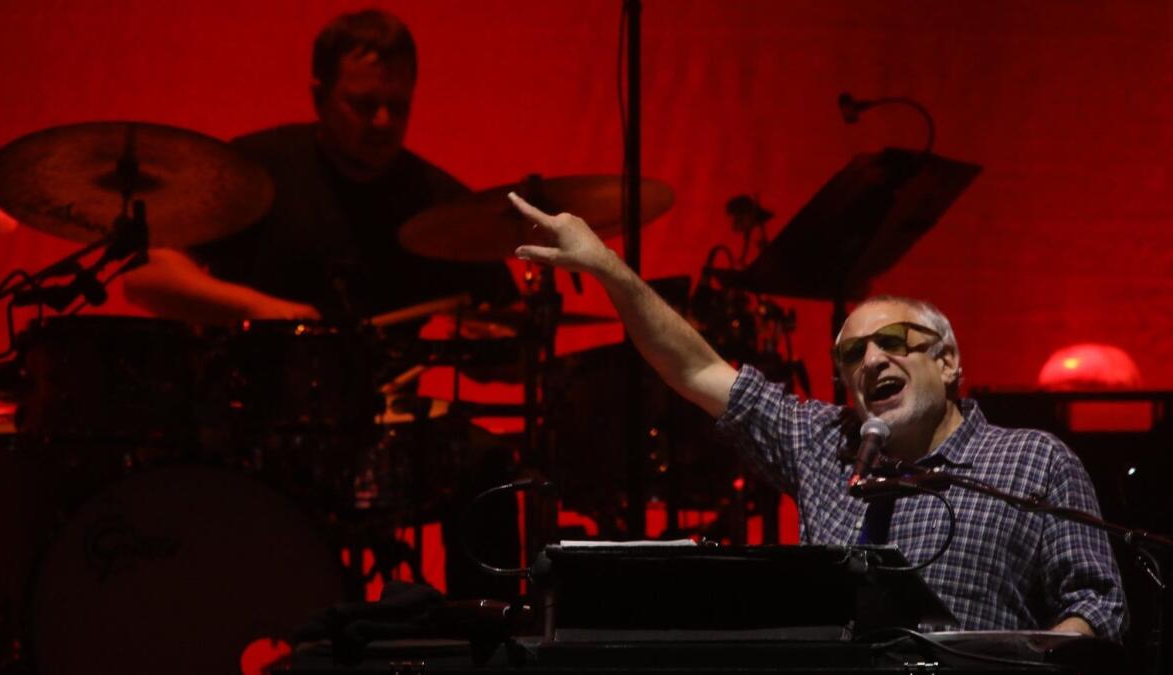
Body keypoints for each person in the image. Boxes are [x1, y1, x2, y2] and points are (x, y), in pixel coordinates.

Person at [505, 191, 1128, 641]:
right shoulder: (823, 444)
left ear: (948, 360)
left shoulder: (1031, 460)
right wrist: (608, 268)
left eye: (895, 341)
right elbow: (695, 368)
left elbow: (1098, 608)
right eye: (852, 354)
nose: (871, 361)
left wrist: (1016, 658)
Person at [122, 8, 519, 600]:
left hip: (391, 430)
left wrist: (487, 344)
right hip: (255, 424)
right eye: (362, 104)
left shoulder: (440, 203)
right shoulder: (253, 175)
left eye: (399, 105)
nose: (383, 121)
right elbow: (147, 274)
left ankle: (476, 640)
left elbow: (511, 341)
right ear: (318, 95)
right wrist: (259, 306)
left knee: (491, 472)